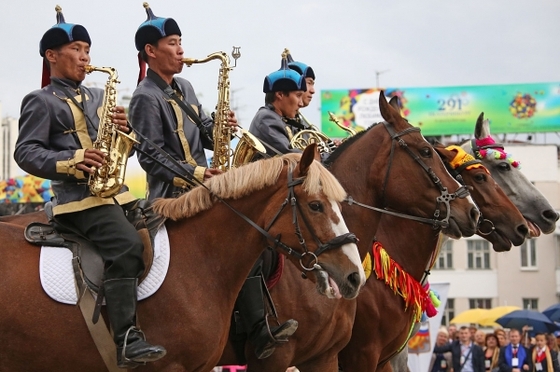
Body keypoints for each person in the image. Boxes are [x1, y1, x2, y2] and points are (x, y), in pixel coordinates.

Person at [14, 6, 166, 368]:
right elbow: (25, 151)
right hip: (77, 202)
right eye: (77, 49)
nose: (85, 58)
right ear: (52, 56)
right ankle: (127, 339)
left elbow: (121, 151)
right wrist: (72, 159)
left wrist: (124, 132)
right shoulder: (40, 100)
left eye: (87, 50)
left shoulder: (99, 97)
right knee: (128, 246)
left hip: (116, 193)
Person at [129, 3, 237, 199]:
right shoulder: (144, 96)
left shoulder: (186, 86)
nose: (181, 50)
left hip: (204, 189)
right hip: (172, 199)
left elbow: (206, 135)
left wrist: (222, 129)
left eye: (180, 42)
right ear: (151, 51)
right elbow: (151, 158)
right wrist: (197, 174)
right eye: (172, 43)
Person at [248, 53, 307, 156]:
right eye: (298, 96)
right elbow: (292, 156)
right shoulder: (266, 118)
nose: (301, 103)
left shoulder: (283, 119)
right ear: (280, 94)